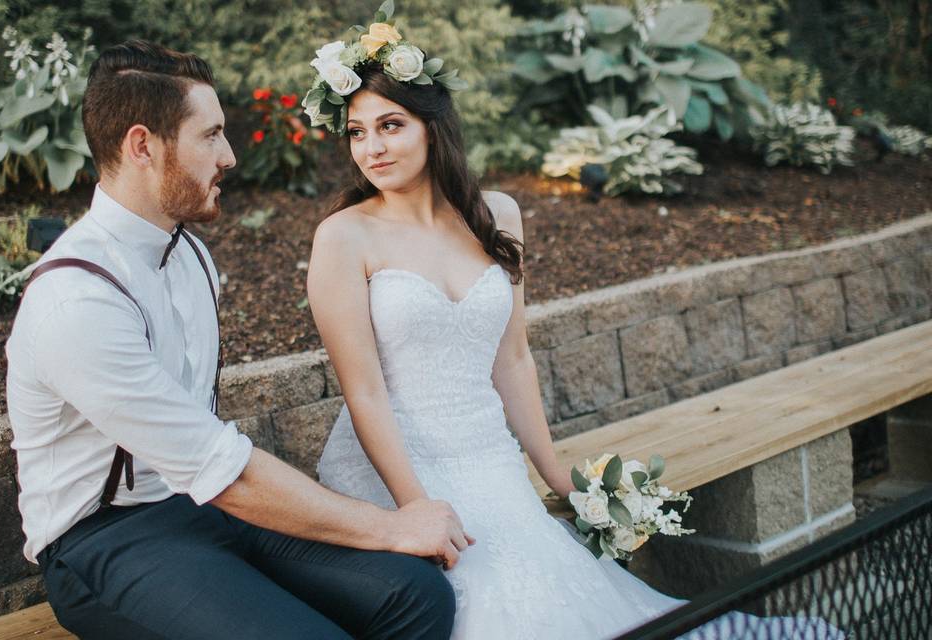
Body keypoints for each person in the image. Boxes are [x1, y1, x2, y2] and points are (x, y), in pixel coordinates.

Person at [307, 6, 846, 640]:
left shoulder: (497, 215)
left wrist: (553, 469)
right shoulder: (344, 237)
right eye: (357, 131)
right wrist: (415, 505)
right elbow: (363, 390)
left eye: (390, 125)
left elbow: (512, 359)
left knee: (562, 593)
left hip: (489, 457)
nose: (371, 147)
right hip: (394, 464)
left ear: (433, 126)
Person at [5, 39, 465, 640]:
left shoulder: (192, 254)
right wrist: (394, 526)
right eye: (211, 135)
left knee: (417, 594)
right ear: (143, 146)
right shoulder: (76, 301)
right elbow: (223, 468)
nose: (229, 156)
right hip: (104, 540)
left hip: (202, 504)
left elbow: (218, 475)